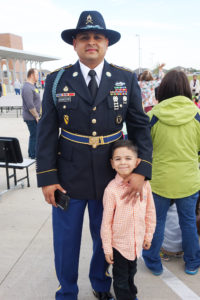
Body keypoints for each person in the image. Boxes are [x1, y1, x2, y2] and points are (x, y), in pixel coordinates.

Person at [36, 11, 152, 300]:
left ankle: (101, 284)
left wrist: (141, 171)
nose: (91, 42)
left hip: (111, 176)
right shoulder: (57, 80)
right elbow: (47, 132)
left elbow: (139, 126)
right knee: (66, 241)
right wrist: (47, 178)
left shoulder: (124, 78)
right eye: (85, 37)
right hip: (68, 176)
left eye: (97, 37)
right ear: (74, 43)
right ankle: (67, 291)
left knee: (107, 237)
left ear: (106, 43)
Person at [142, 70, 200, 276]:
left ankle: (152, 261)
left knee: (156, 222)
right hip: (189, 180)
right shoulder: (197, 116)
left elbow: (143, 149)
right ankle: (193, 261)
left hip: (159, 180)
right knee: (189, 222)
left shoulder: (152, 116)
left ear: (163, 88)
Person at [101, 140, 156, 300]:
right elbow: (106, 223)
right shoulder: (111, 190)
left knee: (132, 272)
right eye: (118, 159)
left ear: (137, 162)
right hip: (119, 245)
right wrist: (107, 248)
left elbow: (150, 212)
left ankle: (132, 293)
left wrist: (148, 236)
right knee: (120, 280)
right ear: (112, 163)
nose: (123, 162)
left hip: (136, 241)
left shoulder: (145, 185)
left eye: (128, 158)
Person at [22, 68, 40, 159]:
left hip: (35, 116)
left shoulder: (33, 86)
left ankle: (32, 152)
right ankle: (33, 154)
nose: (38, 76)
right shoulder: (27, 87)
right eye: (37, 74)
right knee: (34, 135)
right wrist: (36, 116)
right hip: (31, 117)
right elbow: (30, 105)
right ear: (32, 75)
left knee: (35, 134)